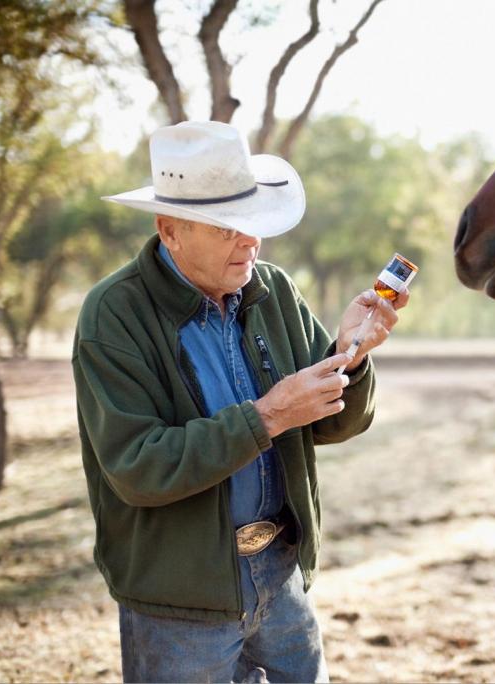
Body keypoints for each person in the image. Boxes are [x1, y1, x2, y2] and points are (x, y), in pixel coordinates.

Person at [72, 120, 408, 683]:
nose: (250, 240)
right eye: (228, 227)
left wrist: (349, 354)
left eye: (252, 223)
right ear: (170, 229)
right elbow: (139, 468)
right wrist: (270, 413)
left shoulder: (272, 288)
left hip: (281, 577)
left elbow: (330, 425)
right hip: (180, 601)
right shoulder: (113, 315)